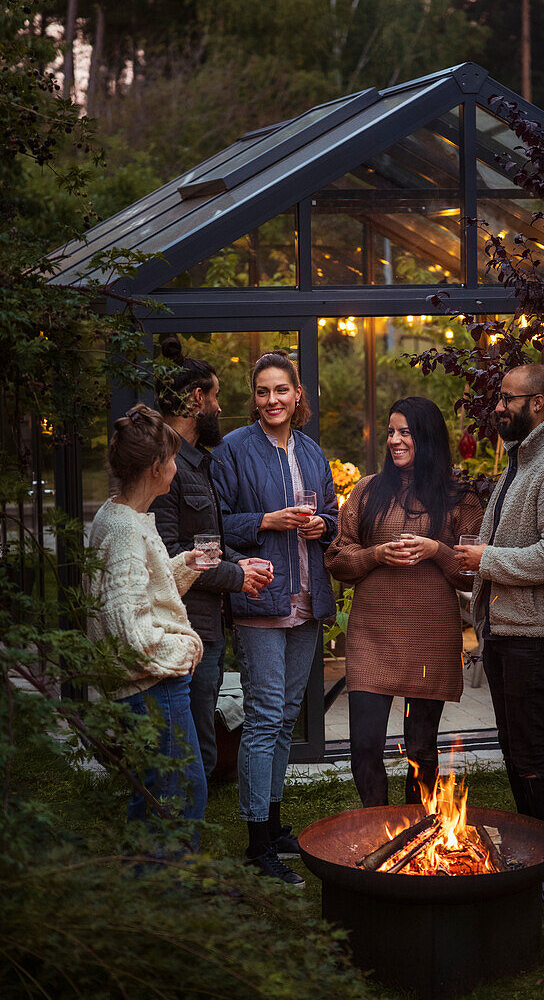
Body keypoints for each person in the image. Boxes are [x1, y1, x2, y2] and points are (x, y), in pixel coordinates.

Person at [455, 364, 544, 902]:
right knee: (515, 750)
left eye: (508, 399)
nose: (498, 407)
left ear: (538, 404)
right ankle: (531, 857)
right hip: (507, 630)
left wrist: (487, 557)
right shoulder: (521, 460)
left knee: (531, 754)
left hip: (536, 635)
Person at [212, 350, 338, 885]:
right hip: (262, 599)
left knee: (286, 717)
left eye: (281, 391)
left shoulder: (312, 451)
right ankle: (256, 839)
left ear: (297, 394)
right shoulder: (232, 450)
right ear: (253, 396)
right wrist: (266, 519)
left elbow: (330, 512)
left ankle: (276, 820)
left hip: (305, 602)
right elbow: (215, 525)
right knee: (264, 718)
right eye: (263, 392)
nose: (272, 401)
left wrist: (322, 527)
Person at [324, 396, 483, 808]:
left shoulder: (458, 498)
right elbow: (338, 561)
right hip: (373, 637)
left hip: (429, 637)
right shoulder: (368, 490)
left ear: (426, 438)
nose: (395, 440)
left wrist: (436, 550)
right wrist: (376, 555)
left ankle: (416, 836)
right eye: (391, 431)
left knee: (422, 752)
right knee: (365, 746)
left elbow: (472, 573)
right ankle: (378, 829)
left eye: (405, 432)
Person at [151, 335, 272, 782]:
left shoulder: (197, 463)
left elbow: (207, 541)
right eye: (215, 396)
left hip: (206, 627)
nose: (220, 408)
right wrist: (235, 576)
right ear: (196, 398)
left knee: (197, 742)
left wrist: (243, 563)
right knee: (189, 753)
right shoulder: (164, 467)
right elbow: (168, 556)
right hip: (183, 629)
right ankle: (182, 844)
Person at [87, 403, 208, 831]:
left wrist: (185, 565)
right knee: (183, 796)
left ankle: (145, 884)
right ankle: (170, 892)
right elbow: (127, 628)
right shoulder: (123, 529)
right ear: (157, 468)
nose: (177, 465)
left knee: (155, 796)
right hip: (152, 687)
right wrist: (185, 647)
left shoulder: (124, 514)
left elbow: (140, 594)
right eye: (173, 458)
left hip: (145, 685)